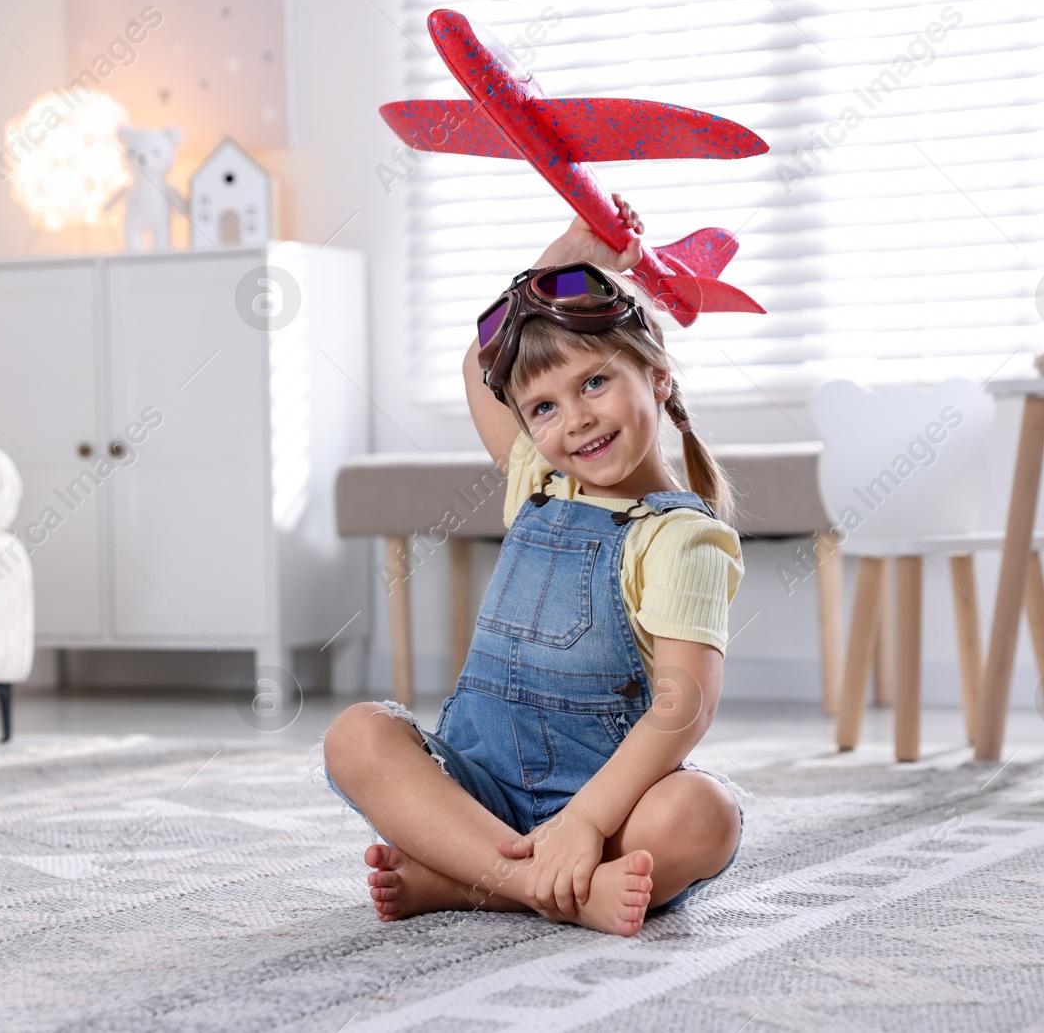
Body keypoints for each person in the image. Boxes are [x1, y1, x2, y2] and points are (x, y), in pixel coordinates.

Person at [318, 195, 745, 937]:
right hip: (477, 791)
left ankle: (469, 879)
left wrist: (586, 820)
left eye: (593, 382)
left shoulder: (680, 537)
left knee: (704, 815)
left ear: (658, 377)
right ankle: (535, 885)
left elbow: (685, 707)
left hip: (610, 800)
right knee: (357, 734)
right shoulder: (542, 482)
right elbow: (477, 364)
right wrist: (574, 249)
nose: (573, 418)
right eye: (541, 407)